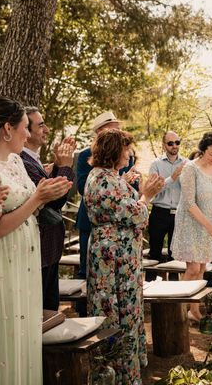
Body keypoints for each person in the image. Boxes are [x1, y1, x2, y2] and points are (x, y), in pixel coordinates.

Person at [0, 97, 71, 384]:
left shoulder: (17, 161)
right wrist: (37, 198)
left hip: (26, 263)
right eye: (24, 127)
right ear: (7, 129)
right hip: (0, 264)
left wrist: (48, 191)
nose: (28, 134)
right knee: (2, 337)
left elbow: (34, 204)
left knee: (24, 336)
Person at [84, 129, 163, 384]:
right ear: (115, 151)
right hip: (113, 257)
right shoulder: (104, 179)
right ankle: (117, 374)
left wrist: (131, 187)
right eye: (126, 149)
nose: (129, 154)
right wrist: (147, 195)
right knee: (116, 310)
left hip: (119, 254)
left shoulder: (108, 176)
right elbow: (137, 215)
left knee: (123, 309)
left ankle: (123, 371)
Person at [171, 132, 212, 321]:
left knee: (202, 268)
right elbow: (189, 203)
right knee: (192, 268)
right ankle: (178, 311)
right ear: (202, 151)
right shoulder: (190, 168)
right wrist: (211, 228)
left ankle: (193, 310)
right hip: (191, 222)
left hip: (210, 223)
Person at [75, 112, 137, 297]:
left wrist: (130, 182)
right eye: (113, 128)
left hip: (123, 222)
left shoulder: (127, 154)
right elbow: (82, 186)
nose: (118, 131)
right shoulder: (86, 155)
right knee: (87, 271)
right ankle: (84, 314)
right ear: (100, 131)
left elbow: (132, 188)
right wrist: (118, 181)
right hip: (92, 220)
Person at [20, 107, 76, 310]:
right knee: (43, 312)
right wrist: (66, 166)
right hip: (39, 250)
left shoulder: (33, 160)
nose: (47, 129)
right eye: (40, 124)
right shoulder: (22, 162)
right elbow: (55, 201)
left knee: (51, 309)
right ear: (25, 131)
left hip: (49, 250)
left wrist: (58, 166)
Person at [145, 131, 185, 280]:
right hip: (159, 213)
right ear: (164, 145)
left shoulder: (186, 163)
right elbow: (152, 190)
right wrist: (172, 178)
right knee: (154, 253)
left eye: (177, 142)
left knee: (175, 255)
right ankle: (149, 288)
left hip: (179, 213)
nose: (174, 146)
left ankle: (174, 291)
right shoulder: (155, 164)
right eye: (170, 143)